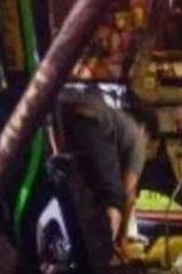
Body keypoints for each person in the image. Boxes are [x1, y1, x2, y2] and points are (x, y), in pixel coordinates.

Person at [58, 87, 156, 260]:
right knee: (113, 196)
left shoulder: (118, 119)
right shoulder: (137, 138)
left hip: (64, 115)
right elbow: (127, 193)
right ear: (146, 131)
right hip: (91, 122)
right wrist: (123, 241)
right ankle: (102, 255)